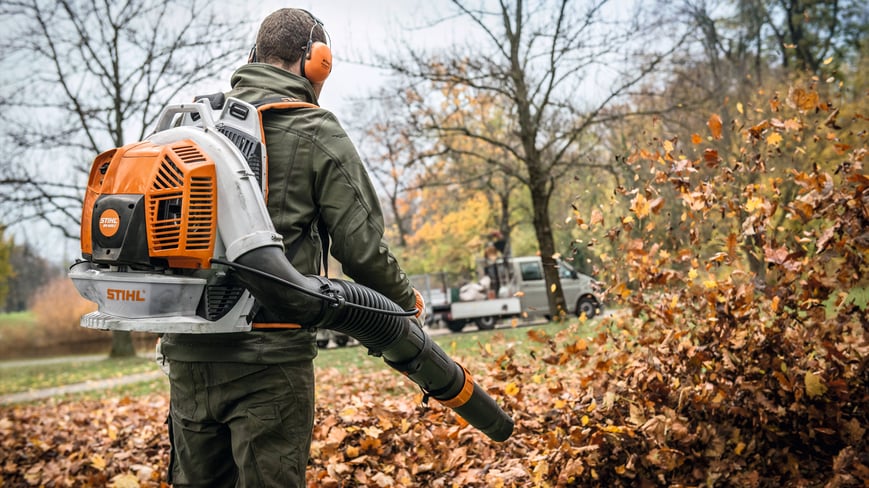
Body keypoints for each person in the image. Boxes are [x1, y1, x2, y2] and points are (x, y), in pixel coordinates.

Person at [158, 8, 422, 487]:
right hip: (270, 357)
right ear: (318, 61)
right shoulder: (315, 130)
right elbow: (361, 250)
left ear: (254, 55)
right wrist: (405, 307)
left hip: (189, 353)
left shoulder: (195, 127)